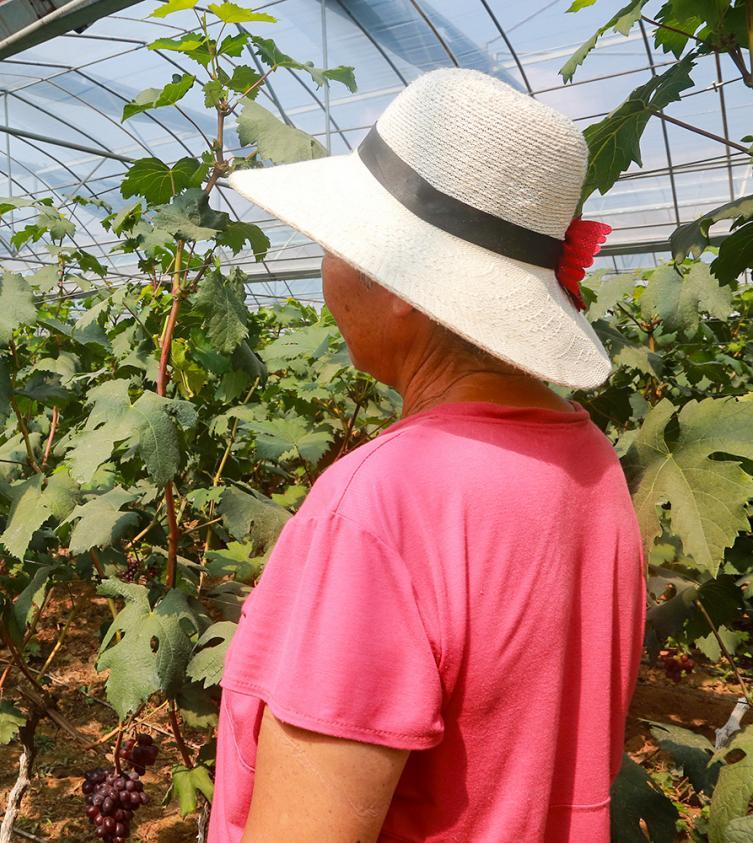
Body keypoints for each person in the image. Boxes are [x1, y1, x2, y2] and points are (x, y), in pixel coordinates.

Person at [211, 69, 644, 842]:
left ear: (400, 278)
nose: (325, 273)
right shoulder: (590, 467)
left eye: (338, 246)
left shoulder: (384, 501)